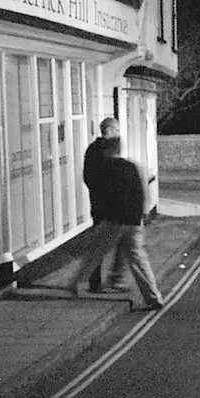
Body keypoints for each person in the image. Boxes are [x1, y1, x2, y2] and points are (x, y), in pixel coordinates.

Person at [81, 136, 165, 311]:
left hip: (115, 220)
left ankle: (74, 284)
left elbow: (101, 189)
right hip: (133, 220)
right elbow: (140, 190)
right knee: (138, 259)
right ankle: (153, 296)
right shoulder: (129, 166)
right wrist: (142, 212)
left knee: (96, 251)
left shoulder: (106, 167)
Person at [73, 116, 125, 293]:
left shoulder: (92, 149)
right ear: (109, 131)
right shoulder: (106, 150)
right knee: (108, 243)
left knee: (102, 243)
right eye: (117, 130)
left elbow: (88, 177)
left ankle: (97, 281)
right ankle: (107, 280)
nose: (119, 133)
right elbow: (111, 177)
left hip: (98, 204)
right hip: (108, 206)